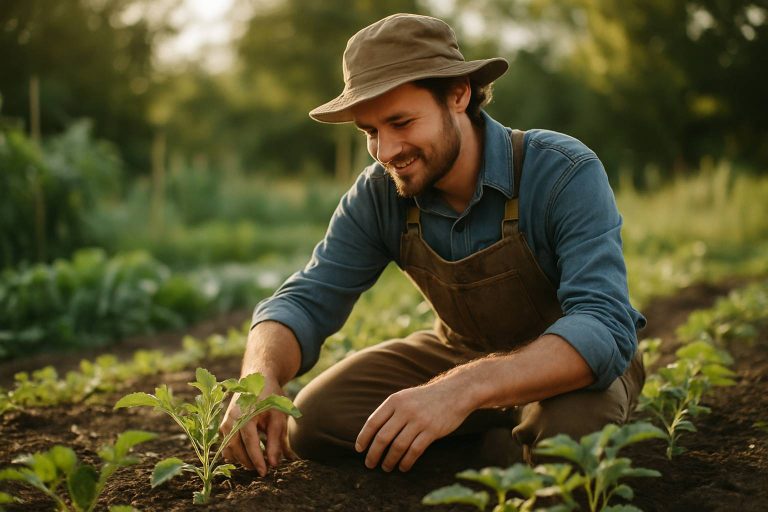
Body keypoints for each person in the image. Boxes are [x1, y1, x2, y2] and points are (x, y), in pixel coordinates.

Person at [220, 12, 646, 477]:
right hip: (459, 353)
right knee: (318, 419)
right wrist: (258, 378)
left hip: (566, 368)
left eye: (401, 122)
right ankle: (496, 445)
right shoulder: (380, 194)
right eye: (370, 132)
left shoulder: (560, 171)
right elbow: (305, 299)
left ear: (458, 94)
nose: (386, 151)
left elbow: (604, 326)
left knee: (570, 444)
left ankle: (509, 434)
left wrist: (462, 389)